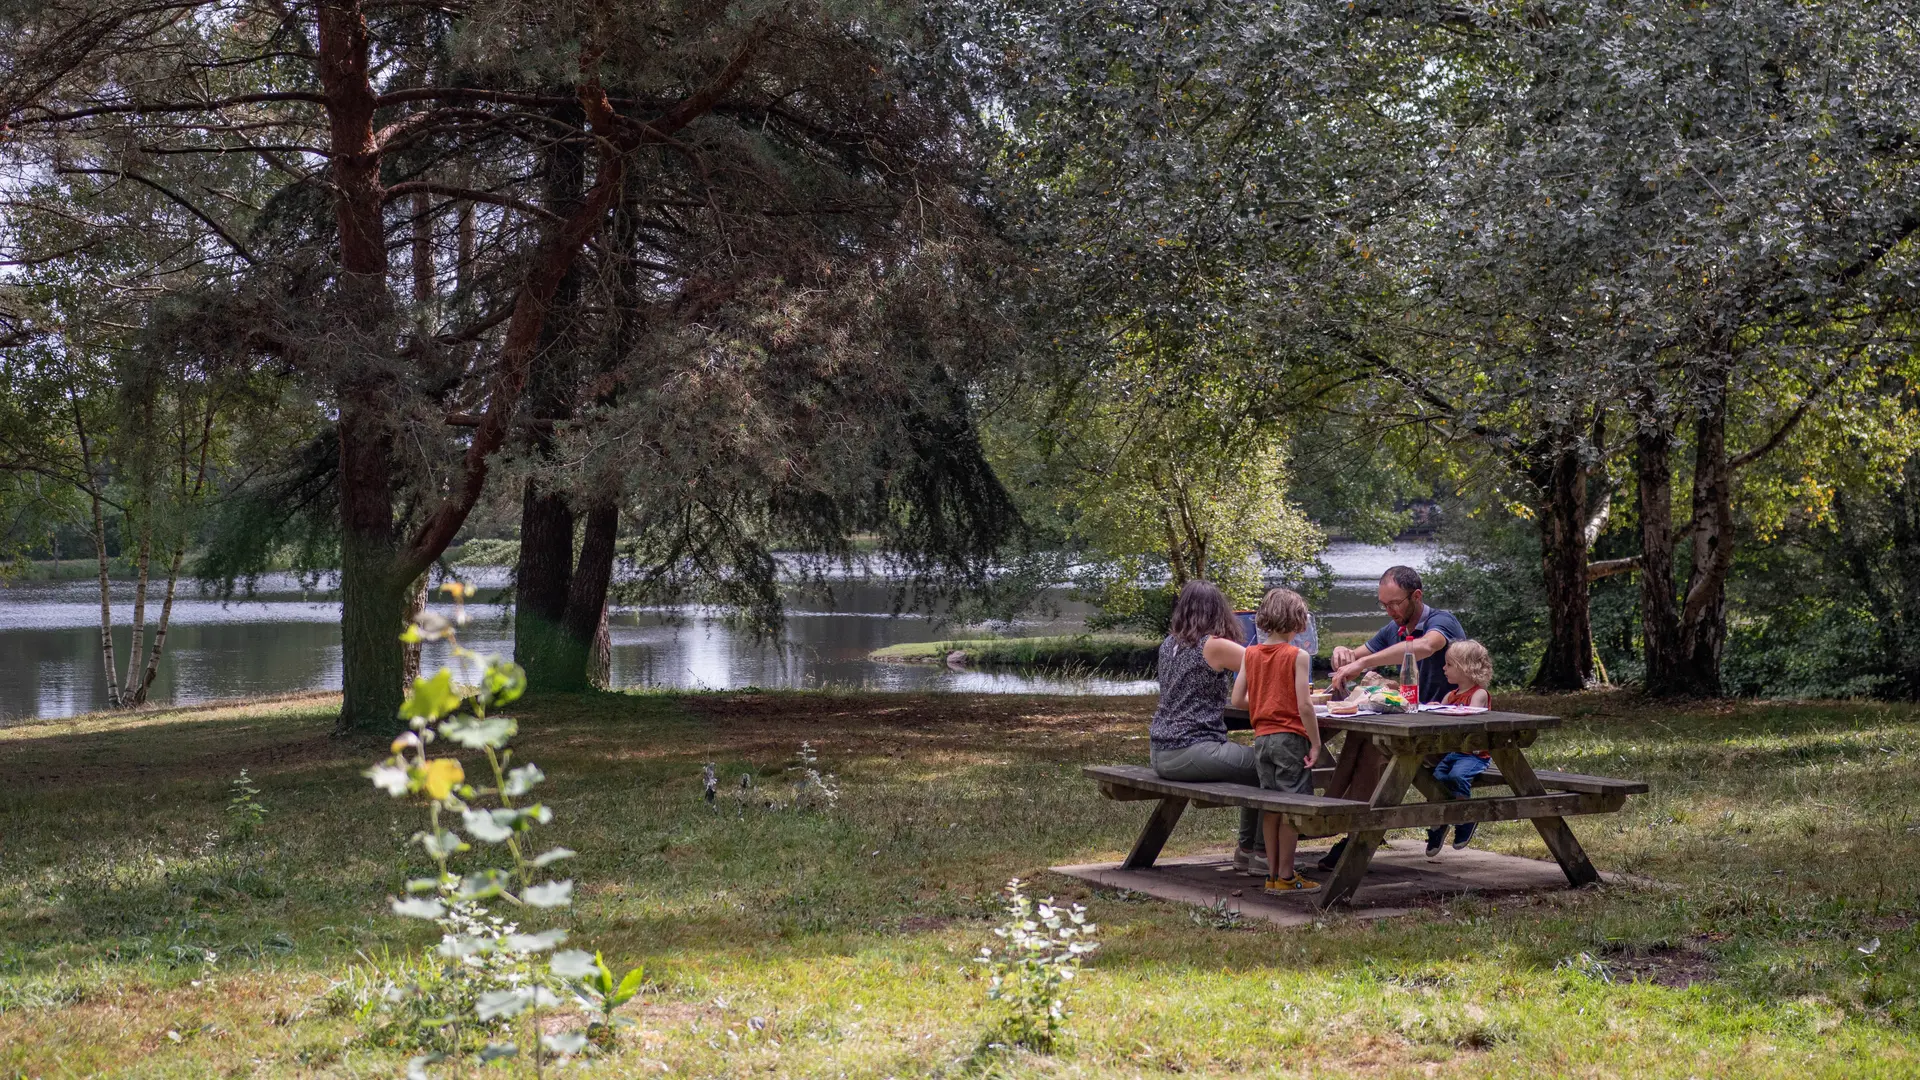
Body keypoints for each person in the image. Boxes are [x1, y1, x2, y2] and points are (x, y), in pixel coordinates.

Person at [1315, 565, 1469, 870]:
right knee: (1361, 736)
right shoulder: (1395, 627)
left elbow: (1424, 647)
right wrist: (1344, 652)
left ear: (1417, 596)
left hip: (1450, 731)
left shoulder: (1441, 622)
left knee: (1376, 747)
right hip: (1415, 726)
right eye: (1383, 605)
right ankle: (1339, 814)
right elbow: (1357, 654)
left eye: (1395, 603)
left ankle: (1355, 832)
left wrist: (1364, 663)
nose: (1389, 611)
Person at [1147, 579, 1265, 874]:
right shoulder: (1214, 646)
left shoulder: (1169, 644)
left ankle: (1247, 850)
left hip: (1161, 751)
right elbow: (1266, 666)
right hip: (1192, 749)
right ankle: (1260, 854)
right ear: (1218, 610)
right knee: (1269, 765)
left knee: (1257, 768)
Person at [1230, 588, 1322, 894]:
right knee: (1292, 807)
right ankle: (1286, 875)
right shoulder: (1298, 656)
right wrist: (1316, 742)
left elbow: (1237, 698)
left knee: (1270, 806)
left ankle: (1272, 874)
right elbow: (1305, 705)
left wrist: (1264, 703)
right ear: (1298, 622)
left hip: (1262, 740)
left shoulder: (1250, 653)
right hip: (1289, 740)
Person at [1424, 640, 1494, 857]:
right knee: (1435, 777)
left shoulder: (1478, 694)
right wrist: (1437, 709)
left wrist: (1449, 710)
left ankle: (1465, 818)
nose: (1444, 668)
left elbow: (1471, 717)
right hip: (1454, 752)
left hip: (1473, 754)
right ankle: (1441, 820)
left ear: (1466, 667)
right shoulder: (1450, 696)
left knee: (1457, 775)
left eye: (1449, 664)